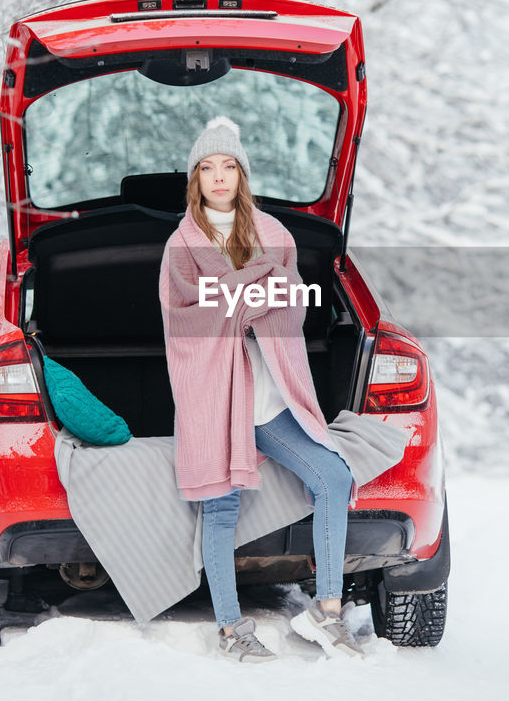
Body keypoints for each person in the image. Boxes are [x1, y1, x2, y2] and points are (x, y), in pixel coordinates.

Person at [159, 116, 365, 663]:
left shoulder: (276, 235)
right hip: (213, 398)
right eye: (208, 168)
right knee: (221, 510)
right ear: (195, 178)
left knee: (334, 477)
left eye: (229, 166)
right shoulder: (181, 246)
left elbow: (293, 302)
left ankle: (325, 613)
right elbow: (190, 315)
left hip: (270, 398)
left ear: (242, 174)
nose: (219, 177)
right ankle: (231, 628)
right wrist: (257, 286)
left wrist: (245, 294)